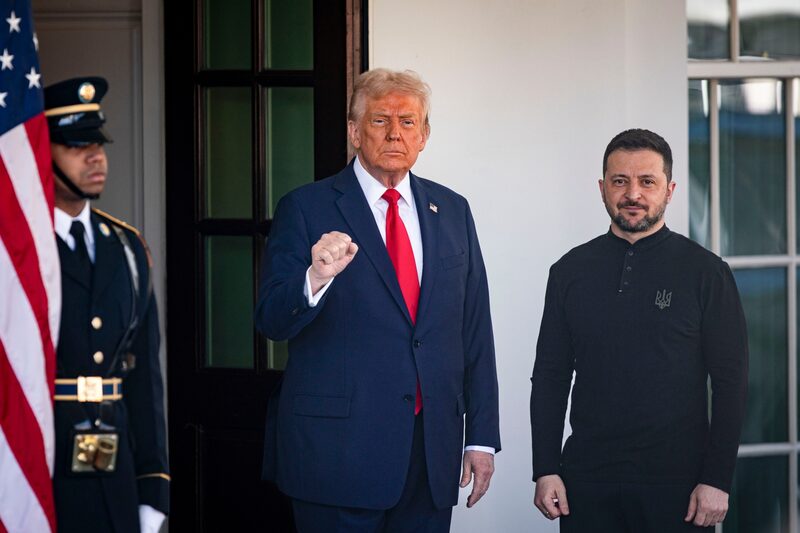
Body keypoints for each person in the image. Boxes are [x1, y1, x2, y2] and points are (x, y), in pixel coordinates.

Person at [256, 68, 500, 532]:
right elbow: (271, 319)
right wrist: (314, 277)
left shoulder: (452, 210)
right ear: (354, 131)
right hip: (336, 457)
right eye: (379, 120)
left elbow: (474, 329)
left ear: (424, 136)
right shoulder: (305, 208)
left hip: (429, 455)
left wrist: (482, 438)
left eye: (408, 122)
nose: (394, 133)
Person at [530, 129, 748, 532]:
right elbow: (550, 376)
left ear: (670, 190)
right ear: (602, 188)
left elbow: (731, 383)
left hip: (679, 488)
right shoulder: (569, 272)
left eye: (647, 182)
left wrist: (716, 479)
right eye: (620, 181)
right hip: (587, 482)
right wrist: (545, 467)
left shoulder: (706, 273)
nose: (633, 194)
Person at [45, 77, 169, 533]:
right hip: (38, 468)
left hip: (115, 472)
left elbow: (144, 379)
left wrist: (153, 488)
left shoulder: (126, 246)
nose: (96, 157)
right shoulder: (16, 251)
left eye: (98, 143)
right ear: (43, 154)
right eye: (77, 145)